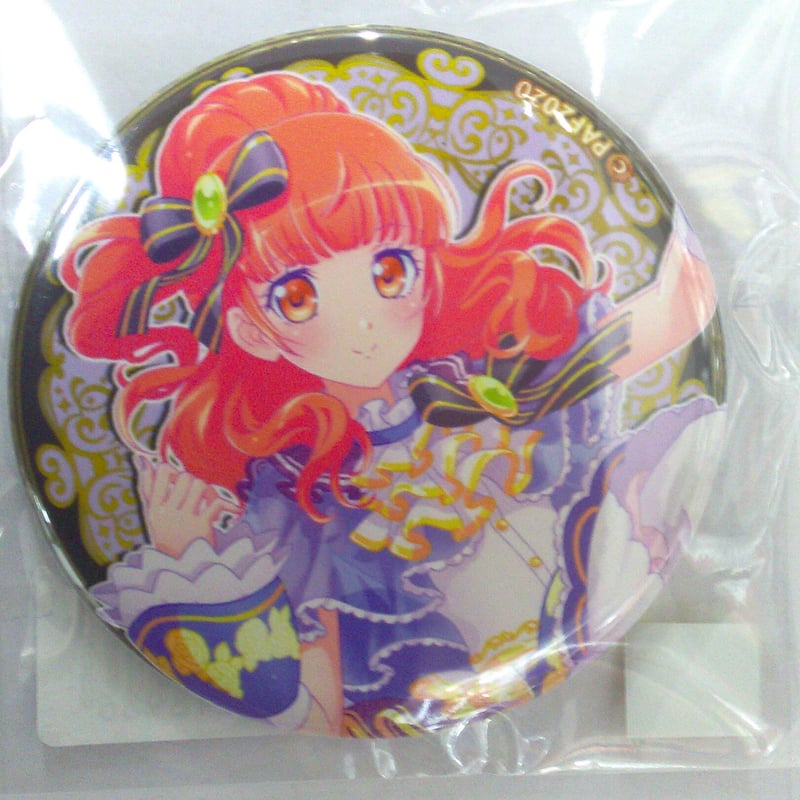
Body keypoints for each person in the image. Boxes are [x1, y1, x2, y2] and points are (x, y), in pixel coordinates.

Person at [59, 71, 719, 735]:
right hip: (492, 677)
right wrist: (188, 557)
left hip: (618, 576)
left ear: (427, 263)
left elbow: (662, 322)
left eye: (390, 270)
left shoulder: (475, 375)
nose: (364, 322)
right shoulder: (301, 497)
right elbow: (317, 710)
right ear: (251, 332)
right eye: (297, 297)